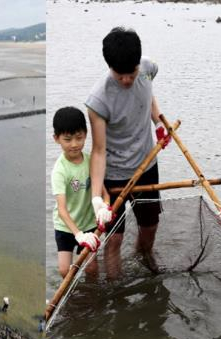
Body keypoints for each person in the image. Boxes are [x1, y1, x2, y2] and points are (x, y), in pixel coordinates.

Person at [85, 26, 170, 275]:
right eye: (119, 74)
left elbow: (148, 94)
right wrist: (96, 198)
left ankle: (145, 257)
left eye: (131, 73)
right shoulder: (98, 99)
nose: (126, 80)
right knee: (113, 239)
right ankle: (115, 288)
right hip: (114, 174)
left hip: (147, 164)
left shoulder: (147, 69)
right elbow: (98, 151)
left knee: (150, 225)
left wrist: (159, 122)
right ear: (109, 67)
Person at [51, 106, 106, 278]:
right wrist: (78, 234)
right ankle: (73, 299)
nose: (74, 144)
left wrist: (105, 208)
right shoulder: (59, 171)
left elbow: (105, 192)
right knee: (64, 270)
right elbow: (62, 210)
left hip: (89, 223)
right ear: (56, 139)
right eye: (67, 140)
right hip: (66, 227)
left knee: (91, 268)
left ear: (86, 134)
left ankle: (92, 295)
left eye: (79, 138)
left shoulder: (91, 161)